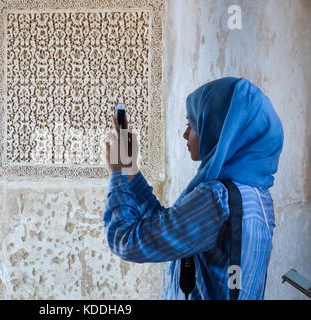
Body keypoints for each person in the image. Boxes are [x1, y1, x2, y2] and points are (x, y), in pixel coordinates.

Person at [102, 77, 284, 300]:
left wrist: (117, 173)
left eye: (193, 124)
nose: (186, 134)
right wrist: (131, 171)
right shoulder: (257, 195)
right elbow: (169, 230)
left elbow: (127, 241)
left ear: (219, 129)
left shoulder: (217, 198)